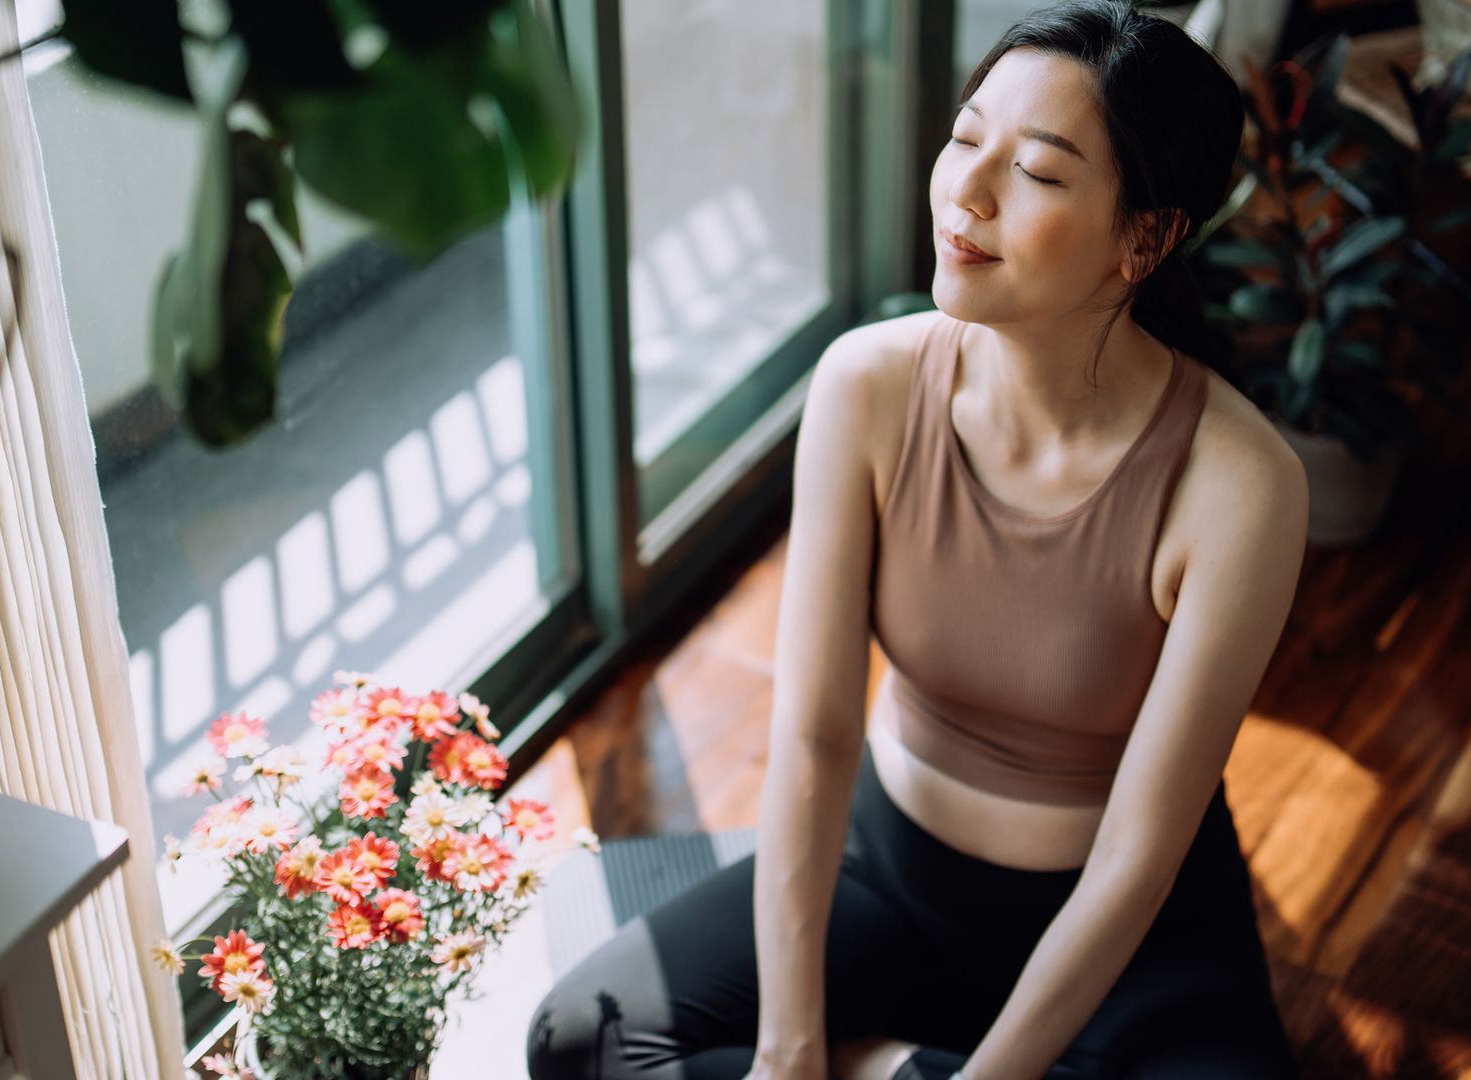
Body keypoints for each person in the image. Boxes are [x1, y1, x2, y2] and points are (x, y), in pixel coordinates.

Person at [526, 2, 1309, 1077]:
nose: (967, 194)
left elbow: (1137, 858)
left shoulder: (1242, 484)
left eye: (1037, 172)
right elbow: (811, 735)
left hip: (1130, 943)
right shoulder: (869, 383)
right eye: (964, 137)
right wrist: (792, 1050)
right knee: (588, 1038)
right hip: (890, 877)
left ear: (1146, 238)